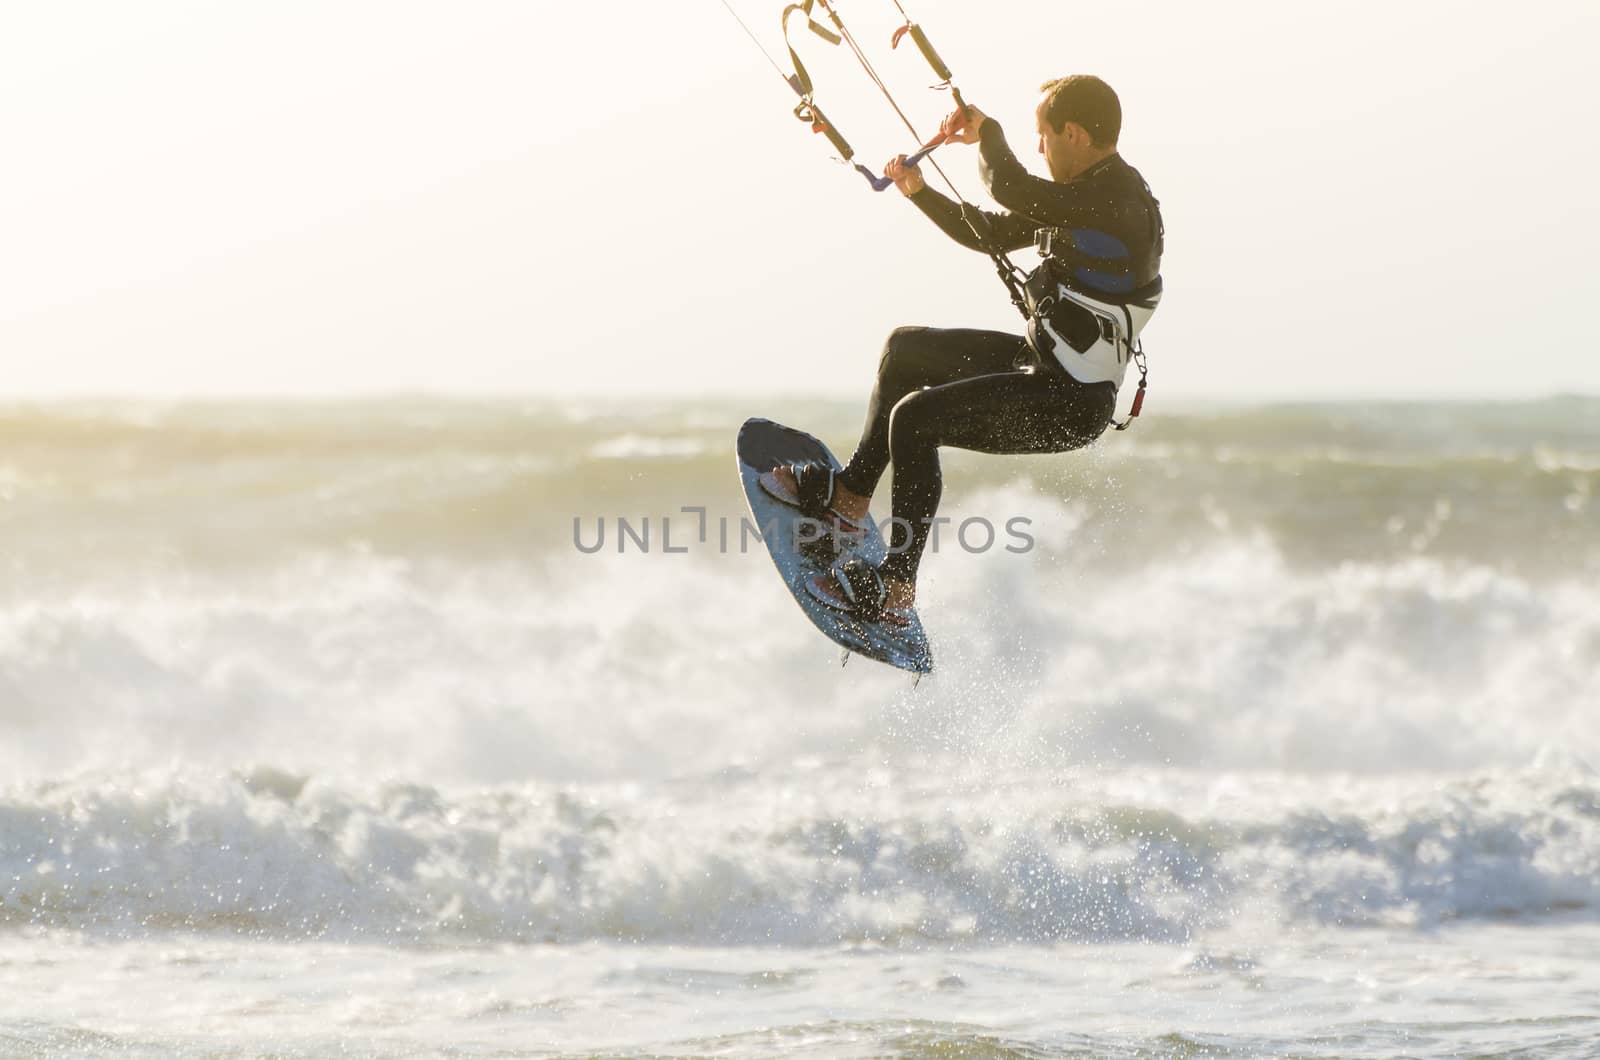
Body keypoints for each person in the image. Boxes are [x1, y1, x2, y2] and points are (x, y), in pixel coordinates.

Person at [759, 74, 1164, 624]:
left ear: (1072, 133)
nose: (1038, 148)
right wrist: (919, 192)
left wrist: (988, 131)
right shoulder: (1085, 199)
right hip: (1041, 366)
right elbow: (990, 232)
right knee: (905, 351)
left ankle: (895, 594)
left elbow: (1009, 188)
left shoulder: (1118, 204)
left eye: (1041, 135)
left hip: (1068, 403)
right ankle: (850, 501)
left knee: (916, 420)